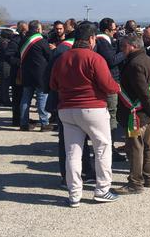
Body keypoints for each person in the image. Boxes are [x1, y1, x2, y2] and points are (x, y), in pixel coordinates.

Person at [50, 23, 120, 207]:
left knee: (73, 152)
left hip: (66, 109)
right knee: (102, 149)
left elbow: (53, 84)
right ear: (91, 39)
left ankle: (74, 195)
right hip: (93, 108)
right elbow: (108, 85)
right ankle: (102, 190)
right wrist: (117, 87)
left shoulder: (62, 58)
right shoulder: (95, 58)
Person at [115, 34, 150, 194]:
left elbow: (143, 92)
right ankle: (149, 177)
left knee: (134, 148)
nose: (121, 49)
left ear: (132, 46)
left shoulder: (135, 64)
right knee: (147, 147)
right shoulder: (148, 60)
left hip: (136, 115)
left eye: (123, 46)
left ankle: (135, 183)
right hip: (145, 114)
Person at [96, 18, 126, 161]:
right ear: (107, 30)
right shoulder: (102, 41)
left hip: (107, 82)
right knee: (111, 116)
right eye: (114, 30)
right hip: (109, 82)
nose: (116, 32)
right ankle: (110, 149)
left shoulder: (104, 41)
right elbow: (112, 60)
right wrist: (124, 52)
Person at [19, 20, 52, 131]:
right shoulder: (42, 41)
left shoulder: (23, 40)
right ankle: (44, 123)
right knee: (42, 98)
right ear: (38, 29)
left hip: (26, 73)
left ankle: (23, 123)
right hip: (40, 74)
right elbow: (49, 56)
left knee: (25, 99)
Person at [6, 21, 28, 126]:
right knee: (17, 97)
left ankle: (23, 118)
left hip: (26, 73)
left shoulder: (27, 40)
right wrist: (20, 62)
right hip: (17, 73)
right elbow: (8, 56)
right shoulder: (15, 41)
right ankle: (16, 120)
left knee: (25, 97)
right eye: (23, 30)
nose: (25, 32)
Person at [0, 29, 14, 107]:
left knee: (2, 83)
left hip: (1, 64)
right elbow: (7, 54)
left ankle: (1, 99)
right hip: (5, 65)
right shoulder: (5, 43)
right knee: (5, 83)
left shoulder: (1, 42)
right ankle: (5, 100)